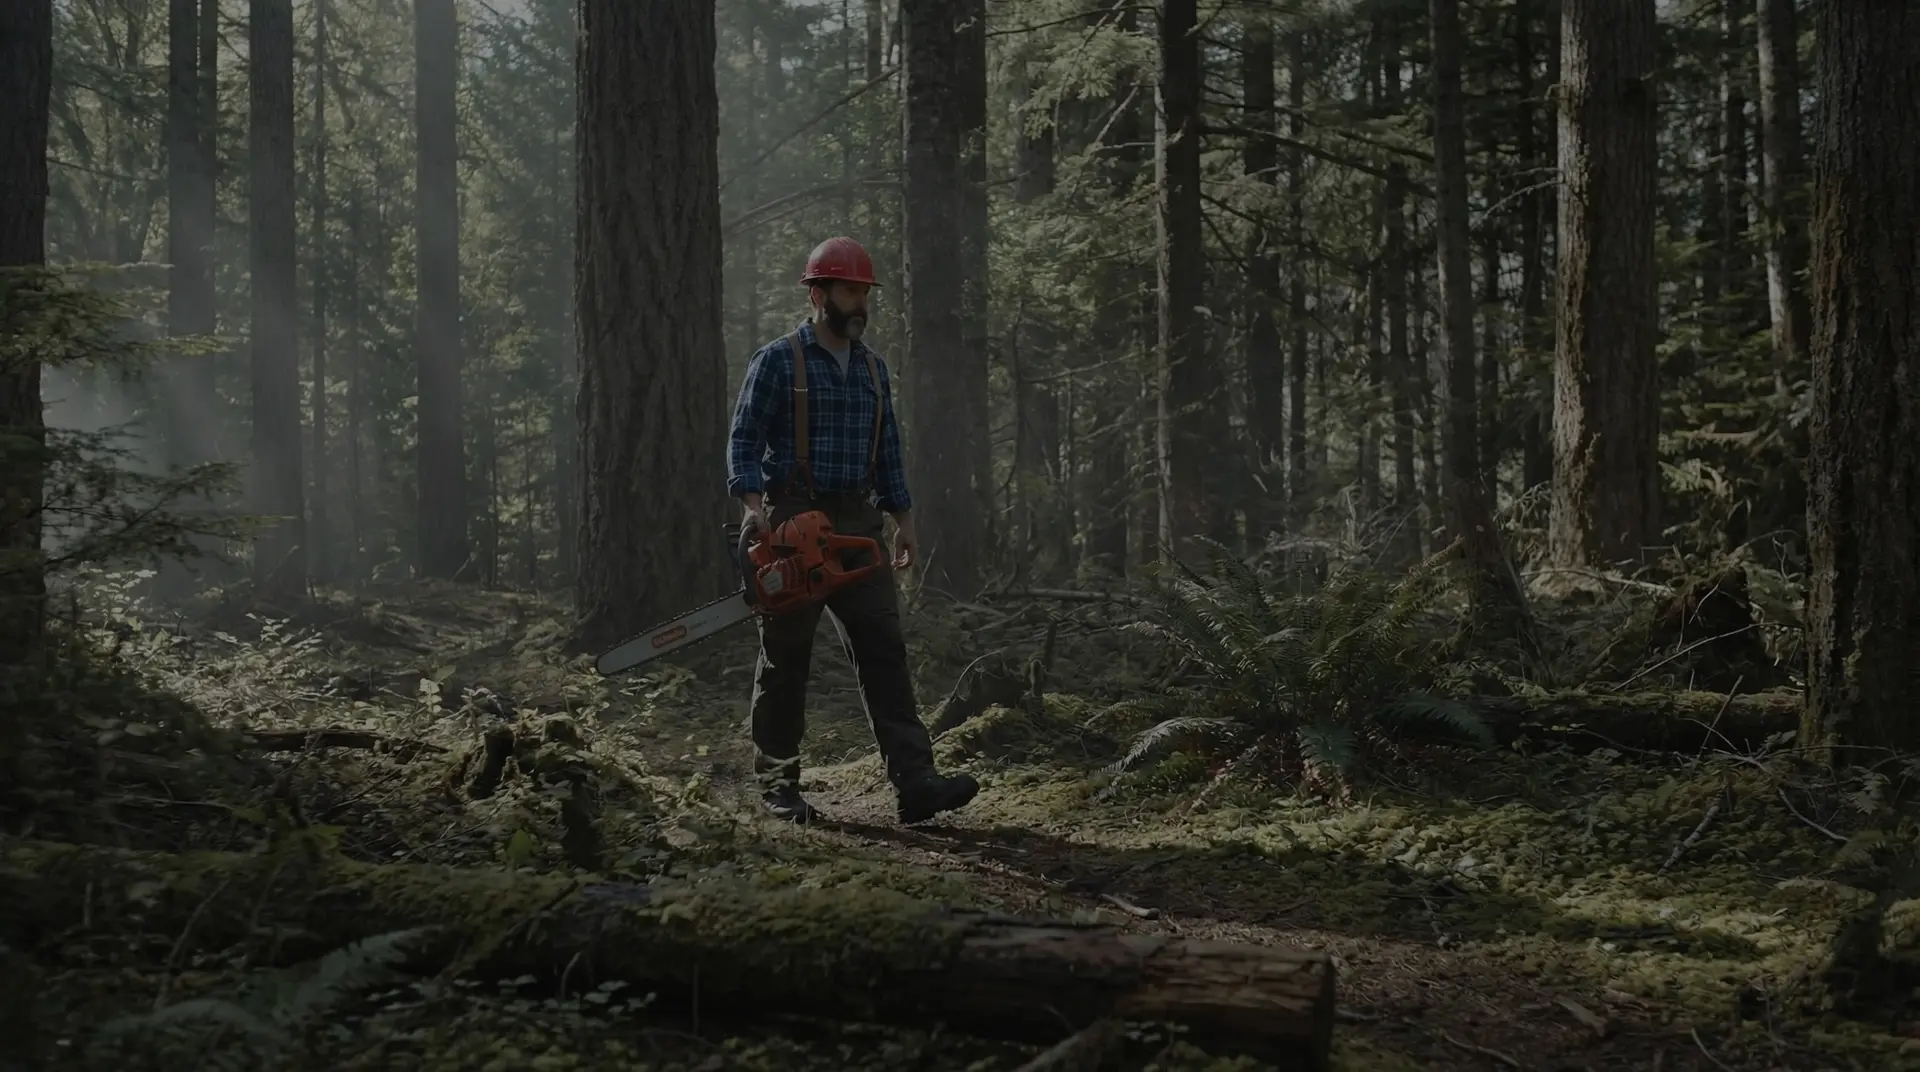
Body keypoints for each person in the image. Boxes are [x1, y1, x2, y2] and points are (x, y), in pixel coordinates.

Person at [725, 236, 980, 826]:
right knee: (785, 656)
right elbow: (743, 439)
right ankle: (779, 786)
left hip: (859, 523)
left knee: (884, 651)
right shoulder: (777, 360)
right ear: (818, 293)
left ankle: (915, 782)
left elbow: (888, 448)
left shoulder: (871, 368)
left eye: (864, 291)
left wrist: (904, 520)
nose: (859, 301)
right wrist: (751, 505)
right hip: (793, 518)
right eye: (848, 290)